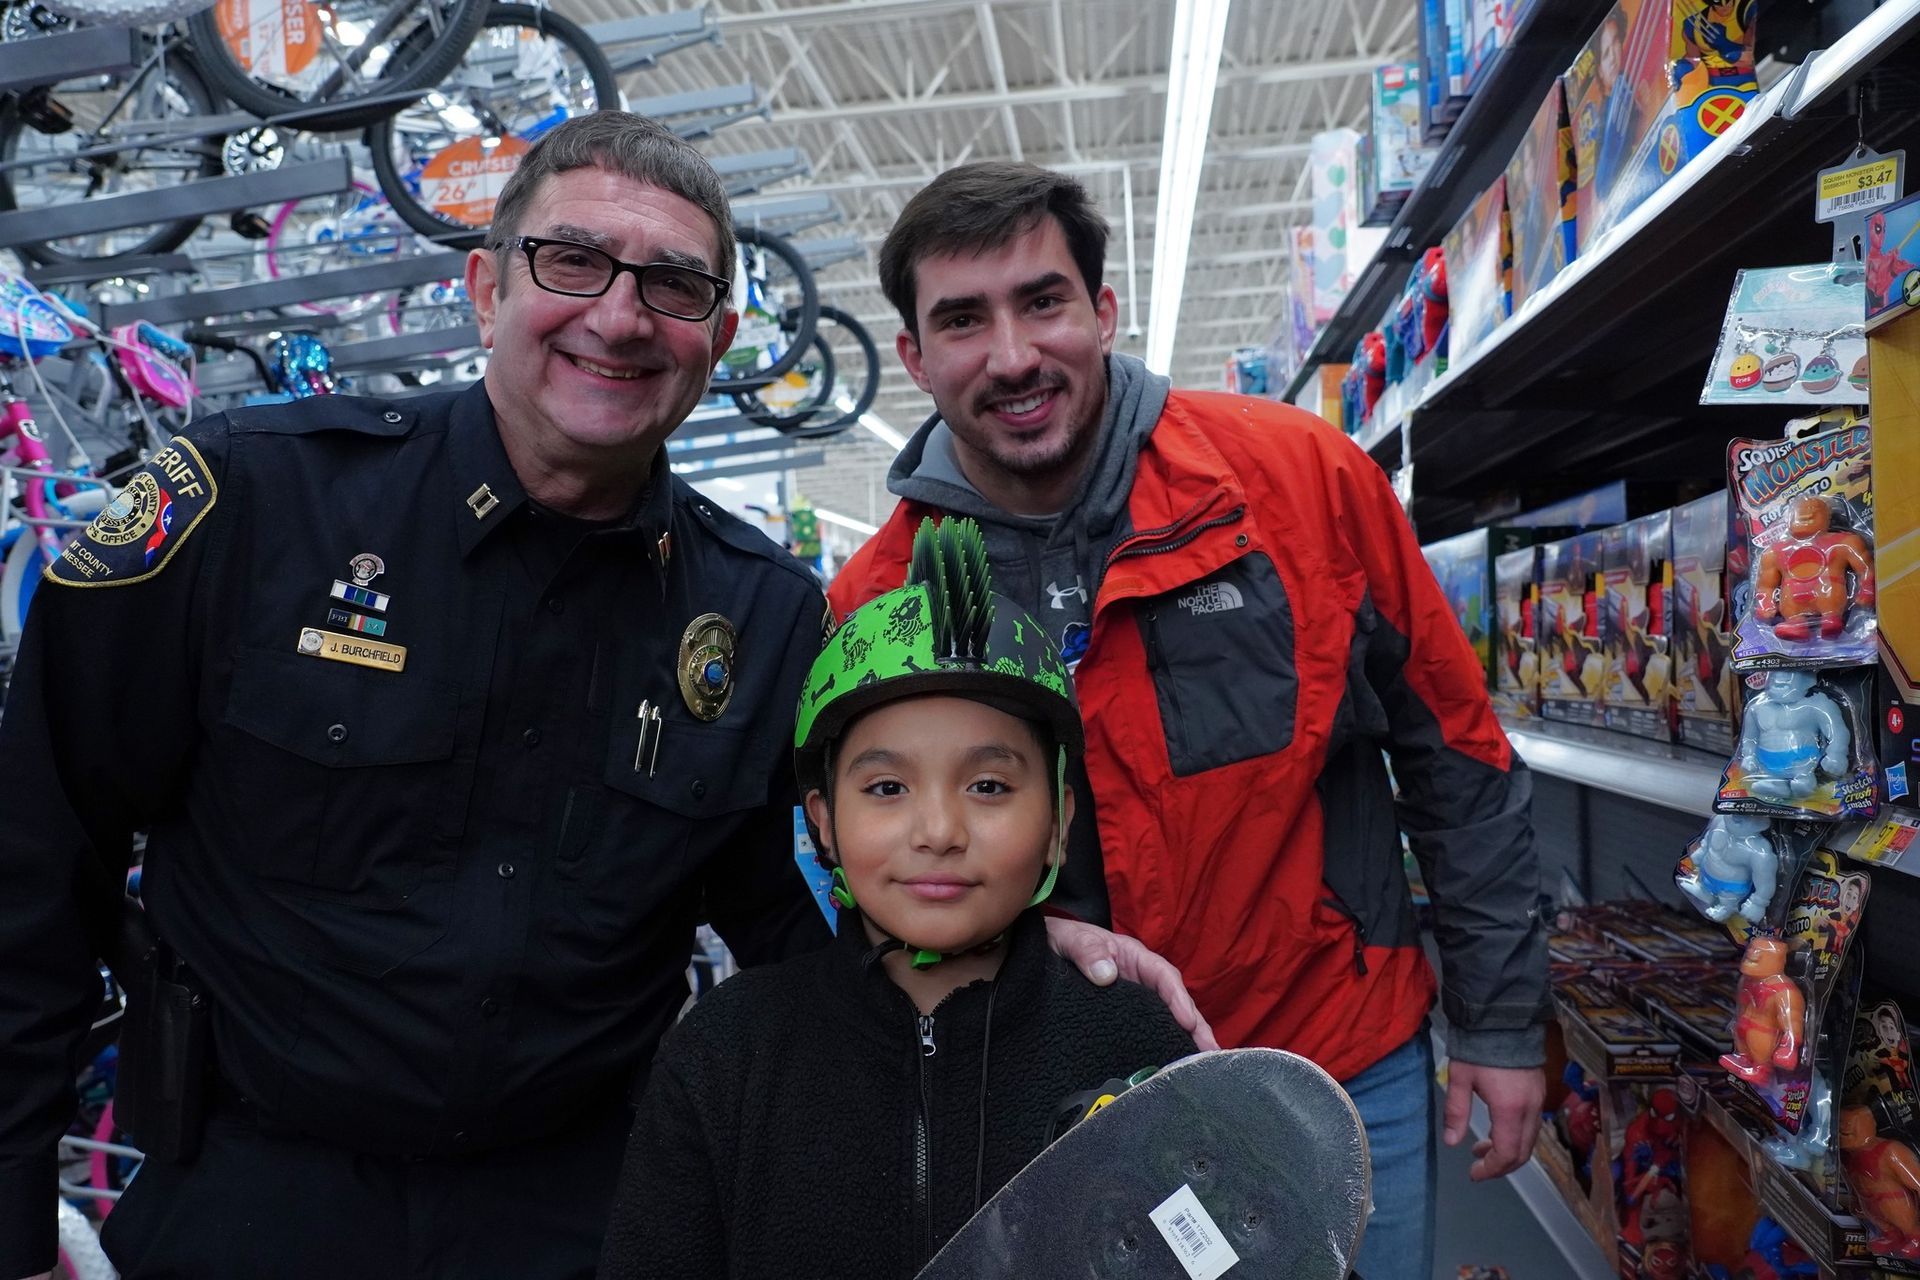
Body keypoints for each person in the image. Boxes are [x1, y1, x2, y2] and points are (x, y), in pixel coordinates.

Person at [0, 117, 1200, 1280]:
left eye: (673, 288)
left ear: (718, 337)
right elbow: (31, 861)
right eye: (573, 261)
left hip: (590, 1216)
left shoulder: (764, 616)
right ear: (484, 286)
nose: (620, 318)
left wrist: (1013, 947)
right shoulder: (250, 506)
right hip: (247, 1197)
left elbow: (811, 914)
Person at [827, 161, 1550, 1280]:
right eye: (962, 320)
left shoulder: (1298, 482)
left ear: (1104, 312)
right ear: (914, 356)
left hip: (1336, 1059)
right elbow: (860, 881)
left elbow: (1455, 754)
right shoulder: (880, 605)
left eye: (1044, 301)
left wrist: (1502, 1024)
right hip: (1061, 1117)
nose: (1012, 354)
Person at [598, 516, 1197, 1279]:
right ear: (822, 823)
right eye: (886, 787)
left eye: (989, 786)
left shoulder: (1136, 1044)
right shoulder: (728, 1058)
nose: (940, 830)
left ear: (1058, 824)